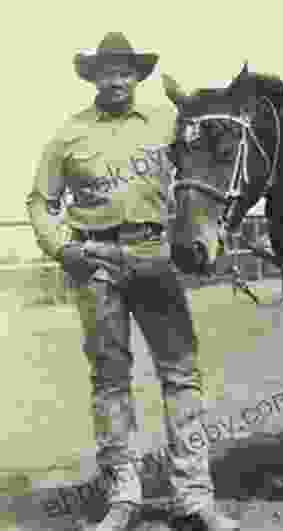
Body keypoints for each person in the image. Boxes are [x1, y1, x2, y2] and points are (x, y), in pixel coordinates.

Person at [25, 32, 239, 531]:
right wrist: (60, 247)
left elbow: (204, 161)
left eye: (124, 70)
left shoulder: (169, 124)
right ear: (94, 78)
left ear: (138, 77)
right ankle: (123, 497)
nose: (116, 78)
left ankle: (195, 498)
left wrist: (204, 228)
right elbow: (39, 202)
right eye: (107, 70)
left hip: (154, 256)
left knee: (181, 375)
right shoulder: (68, 134)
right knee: (109, 381)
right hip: (95, 260)